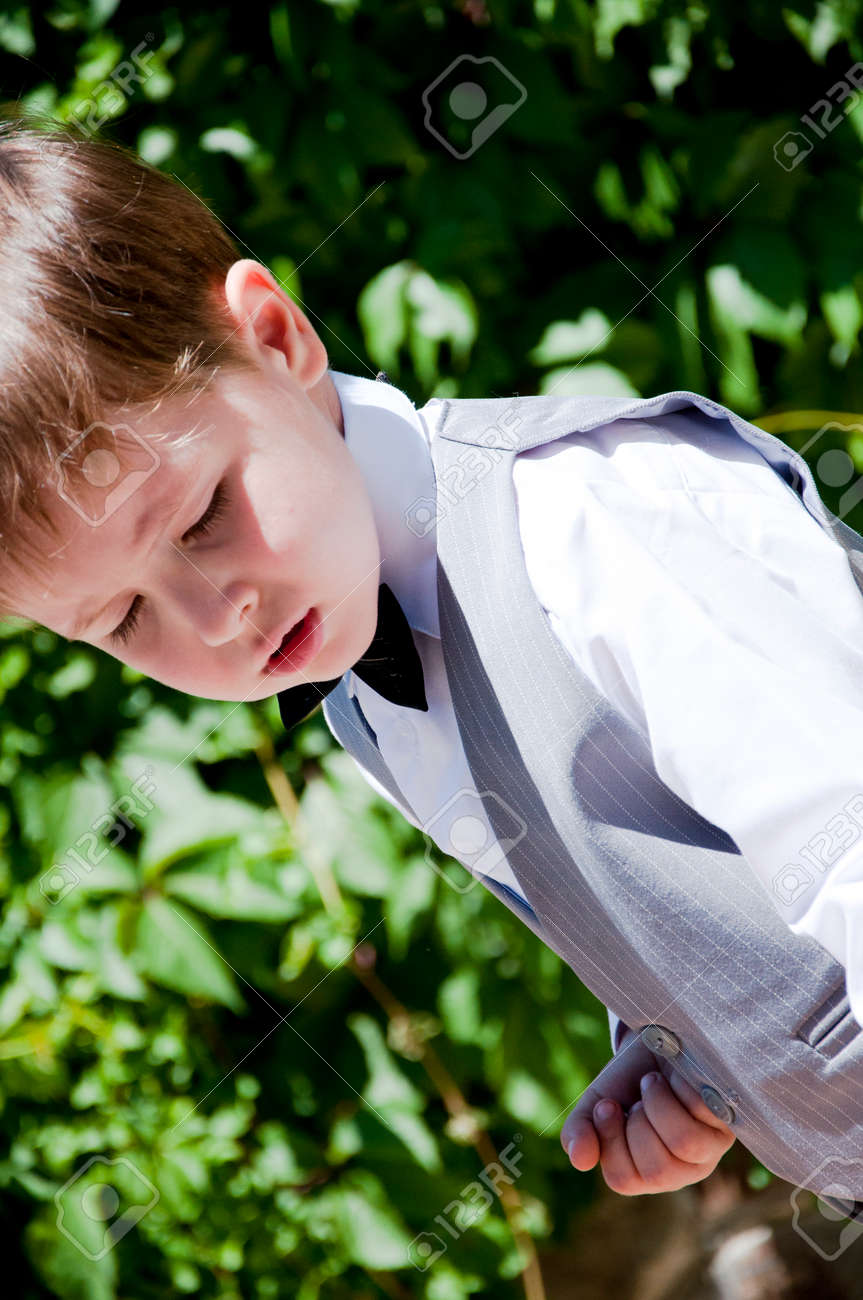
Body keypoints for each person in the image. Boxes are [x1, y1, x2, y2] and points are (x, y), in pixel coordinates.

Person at [2, 110, 862, 1205]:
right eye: (122, 620)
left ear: (275, 336)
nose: (213, 617)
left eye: (203, 515)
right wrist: (689, 1042)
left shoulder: (591, 520)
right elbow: (648, 841)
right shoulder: (357, 676)